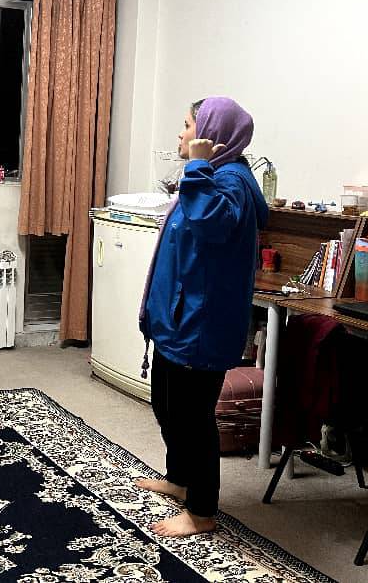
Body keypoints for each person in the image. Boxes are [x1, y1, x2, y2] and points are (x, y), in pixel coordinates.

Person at [135, 96, 268, 538]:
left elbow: (210, 223)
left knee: (193, 417)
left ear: (212, 134)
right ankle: (180, 479)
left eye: (188, 124)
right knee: (167, 405)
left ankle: (202, 511)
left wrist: (196, 165)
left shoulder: (230, 182)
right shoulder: (212, 176)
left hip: (200, 325)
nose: (181, 133)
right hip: (177, 321)